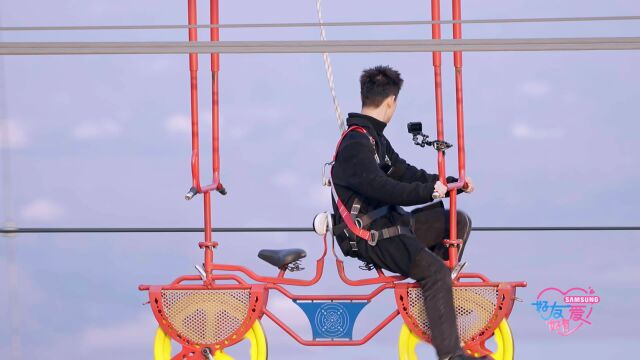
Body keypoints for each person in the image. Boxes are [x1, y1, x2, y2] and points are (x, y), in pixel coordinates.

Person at [330, 65, 485, 360]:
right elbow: (383, 188)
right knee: (436, 272)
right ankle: (451, 353)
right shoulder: (356, 143)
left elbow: (403, 173)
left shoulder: (374, 139)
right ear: (392, 102)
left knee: (455, 220)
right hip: (372, 237)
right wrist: (428, 192)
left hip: (390, 224)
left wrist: (450, 185)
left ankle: (436, 300)